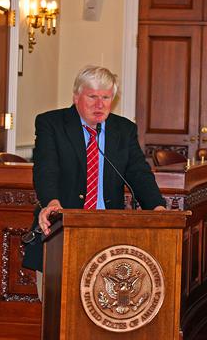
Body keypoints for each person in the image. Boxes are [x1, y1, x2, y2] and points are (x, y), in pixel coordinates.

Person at [22, 65, 166, 296]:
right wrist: (51, 202)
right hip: (63, 227)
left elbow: (139, 173)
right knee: (57, 303)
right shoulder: (52, 123)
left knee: (104, 301)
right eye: (92, 97)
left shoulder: (124, 129)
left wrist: (157, 207)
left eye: (106, 98)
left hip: (109, 231)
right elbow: (46, 169)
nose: (100, 105)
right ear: (76, 97)